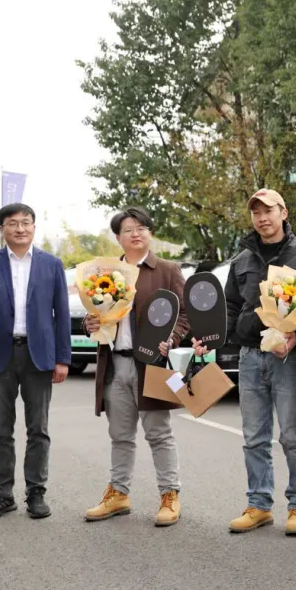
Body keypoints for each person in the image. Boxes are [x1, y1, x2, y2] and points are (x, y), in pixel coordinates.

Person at [224, 189, 296, 536]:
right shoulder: (241, 260)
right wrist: (229, 336)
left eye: (268, 211)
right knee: (253, 437)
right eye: (256, 213)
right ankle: (259, 504)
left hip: (290, 358)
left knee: (293, 435)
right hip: (250, 357)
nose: (262, 218)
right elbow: (230, 306)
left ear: (283, 213)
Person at [0, 203, 71, 521]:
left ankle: (36, 493)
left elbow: (62, 315)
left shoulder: (51, 264)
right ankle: (2, 495)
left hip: (38, 356)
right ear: (2, 229)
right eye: (12, 223)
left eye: (26, 222)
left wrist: (62, 359)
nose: (20, 228)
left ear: (34, 227)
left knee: (38, 429)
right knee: (1, 430)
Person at [83, 207, 191, 527]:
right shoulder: (105, 273)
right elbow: (95, 314)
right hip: (115, 363)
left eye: (141, 228)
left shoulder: (167, 270)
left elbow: (185, 314)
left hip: (152, 364)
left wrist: (172, 337)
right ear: (118, 237)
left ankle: (170, 494)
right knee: (120, 435)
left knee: (158, 433)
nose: (135, 233)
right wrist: (90, 322)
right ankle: (118, 493)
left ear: (150, 233)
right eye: (128, 229)